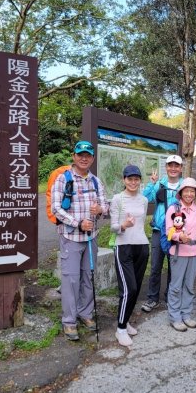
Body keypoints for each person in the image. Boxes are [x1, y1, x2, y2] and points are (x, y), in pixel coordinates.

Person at [51, 140, 108, 341]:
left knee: (88, 277)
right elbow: (56, 209)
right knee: (71, 279)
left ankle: (85, 313)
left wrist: (100, 209)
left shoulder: (95, 181)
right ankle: (69, 321)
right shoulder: (62, 179)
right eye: (80, 154)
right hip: (71, 238)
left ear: (92, 158)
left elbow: (105, 205)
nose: (84, 158)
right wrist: (77, 223)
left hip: (91, 238)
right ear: (74, 156)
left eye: (88, 155)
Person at [109, 165, 150, 347]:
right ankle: (120, 329)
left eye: (136, 179)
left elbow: (141, 225)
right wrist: (123, 225)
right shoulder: (117, 199)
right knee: (129, 289)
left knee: (137, 286)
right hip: (123, 246)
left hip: (142, 246)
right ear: (123, 180)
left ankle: (126, 322)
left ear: (140, 180)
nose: (133, 182)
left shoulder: (144, 200)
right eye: (129, 179)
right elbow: (113, 226)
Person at [140, 155, 184, 313]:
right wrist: (152, 183)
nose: (173, 168)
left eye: (176, 166)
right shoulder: (159, 184)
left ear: (180, 168)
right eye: (170, 165)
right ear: (166, 167)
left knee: (175, 266)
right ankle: (153, 298)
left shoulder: (184, 186)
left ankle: (171, 297)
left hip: (178, 232)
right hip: (159, 230)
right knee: (155, 267)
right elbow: (145, 198)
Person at [165, 177, 196, 332]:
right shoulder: (174, 209)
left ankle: (186, 314)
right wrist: (178, 236)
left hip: (195, 253)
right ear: (181, 193)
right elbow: (168, 230)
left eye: (192, 191)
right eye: (186, 191)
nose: (189, 194)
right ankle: (175, 317)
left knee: (189, 285)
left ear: (195, 193)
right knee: (176, 286)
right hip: (178, 252)